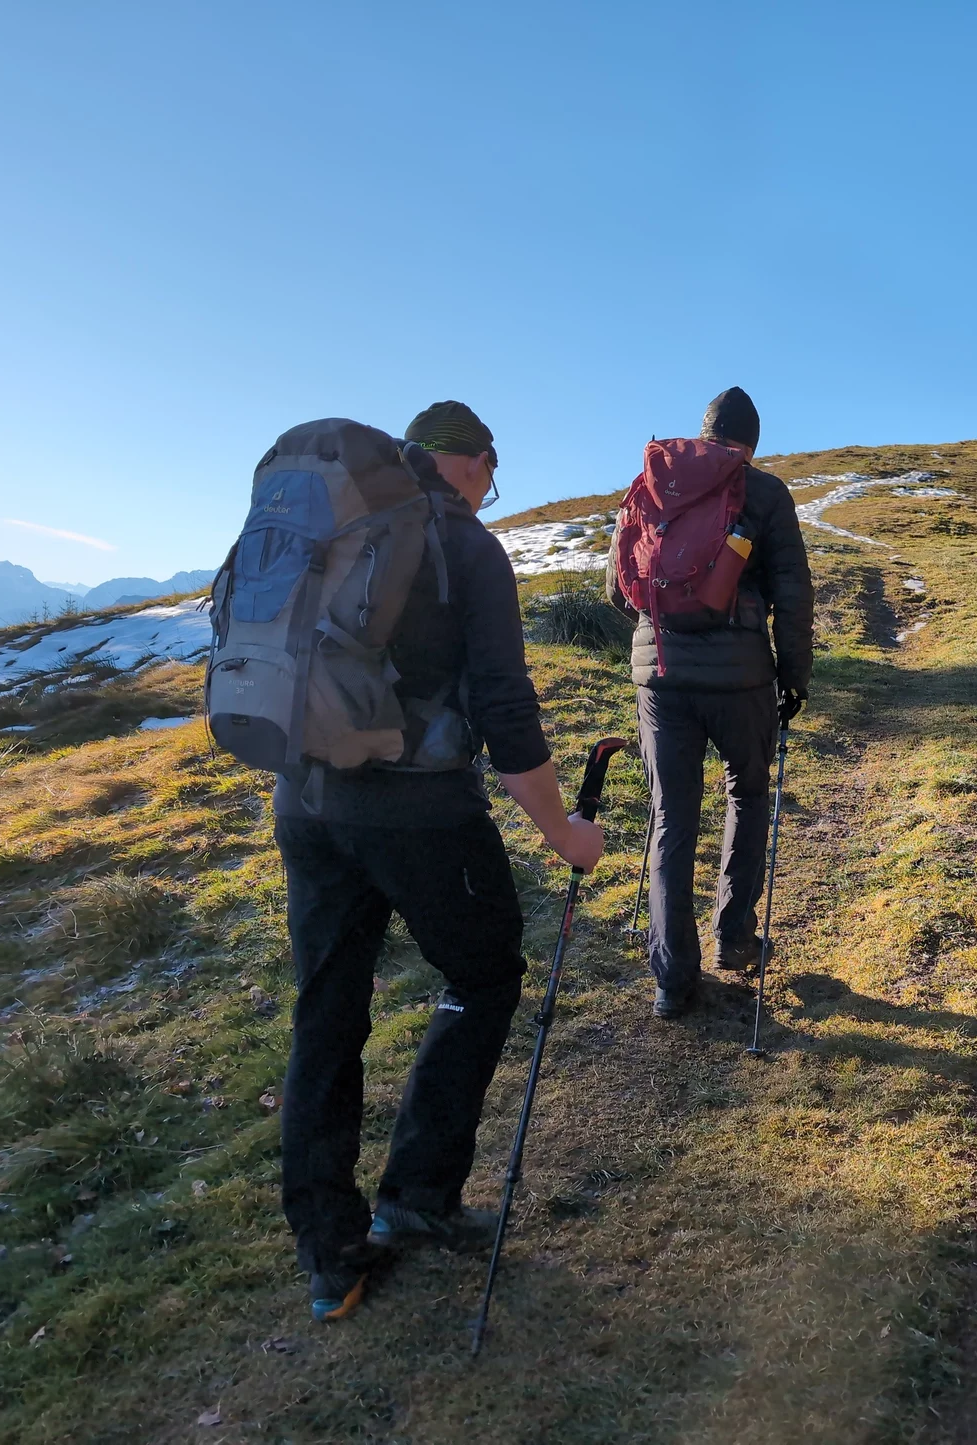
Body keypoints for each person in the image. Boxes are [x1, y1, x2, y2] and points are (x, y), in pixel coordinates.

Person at [272, 400, 604, 1324]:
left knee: (327, 1010)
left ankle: (330, 1257)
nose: (492, 493)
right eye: (492, 475)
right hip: (417, 811)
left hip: (303, 800)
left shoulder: (334, 526)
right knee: (485, 972)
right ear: (472, 463)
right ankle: (417, 1192)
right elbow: (503, 707)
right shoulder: (464, 544)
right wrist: (565, 834)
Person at [606, 386, 813, 1019]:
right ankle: (735, 936)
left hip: (661, 677)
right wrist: (794, 675)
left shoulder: (650, 485)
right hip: (742, 678)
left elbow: (619, 590)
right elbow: (793, 593)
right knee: (746, 794)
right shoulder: (766, 493)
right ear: (751, 442)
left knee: (671, 816)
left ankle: (673, 979)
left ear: (703, 433)